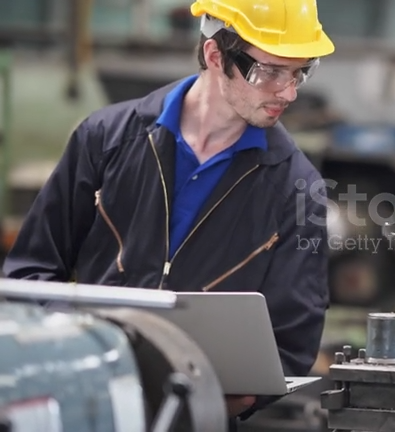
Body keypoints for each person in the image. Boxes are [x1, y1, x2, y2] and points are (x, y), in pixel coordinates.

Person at [2, 0, 333, 427]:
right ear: (216, 55)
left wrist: (218, 395)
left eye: (299, 72)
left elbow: (291, 345)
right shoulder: (104, 140)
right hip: (87, 406)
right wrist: (77, 356)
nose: (288, 92)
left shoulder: (297, 189)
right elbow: (28, 275)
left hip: (196, 415)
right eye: (269, 71)